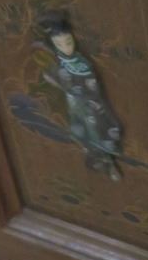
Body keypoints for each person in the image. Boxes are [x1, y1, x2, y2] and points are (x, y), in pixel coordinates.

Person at [36, 12, 124, 180]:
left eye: (68, 42)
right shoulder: (60, 60)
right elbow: (55, 70)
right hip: (75, 105)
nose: (65, 47)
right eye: (59, 44)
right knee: (81, 132)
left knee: (97, 131)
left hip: (89, 104)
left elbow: (90, 85)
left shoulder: (82, 64)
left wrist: (69, 87)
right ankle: (97, 160)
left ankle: (108, 161)